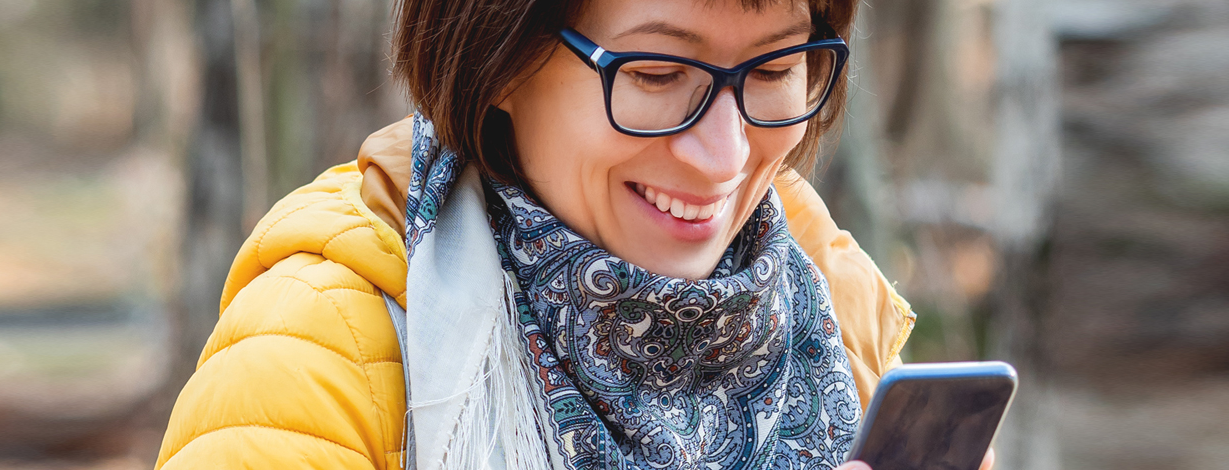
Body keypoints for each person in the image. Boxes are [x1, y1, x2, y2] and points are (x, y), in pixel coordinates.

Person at [152, 0, 967, 468]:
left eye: (773, 70)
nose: (725, 156)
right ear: (501, 56)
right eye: (655, 75)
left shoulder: (834, 312)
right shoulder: (312, 352)